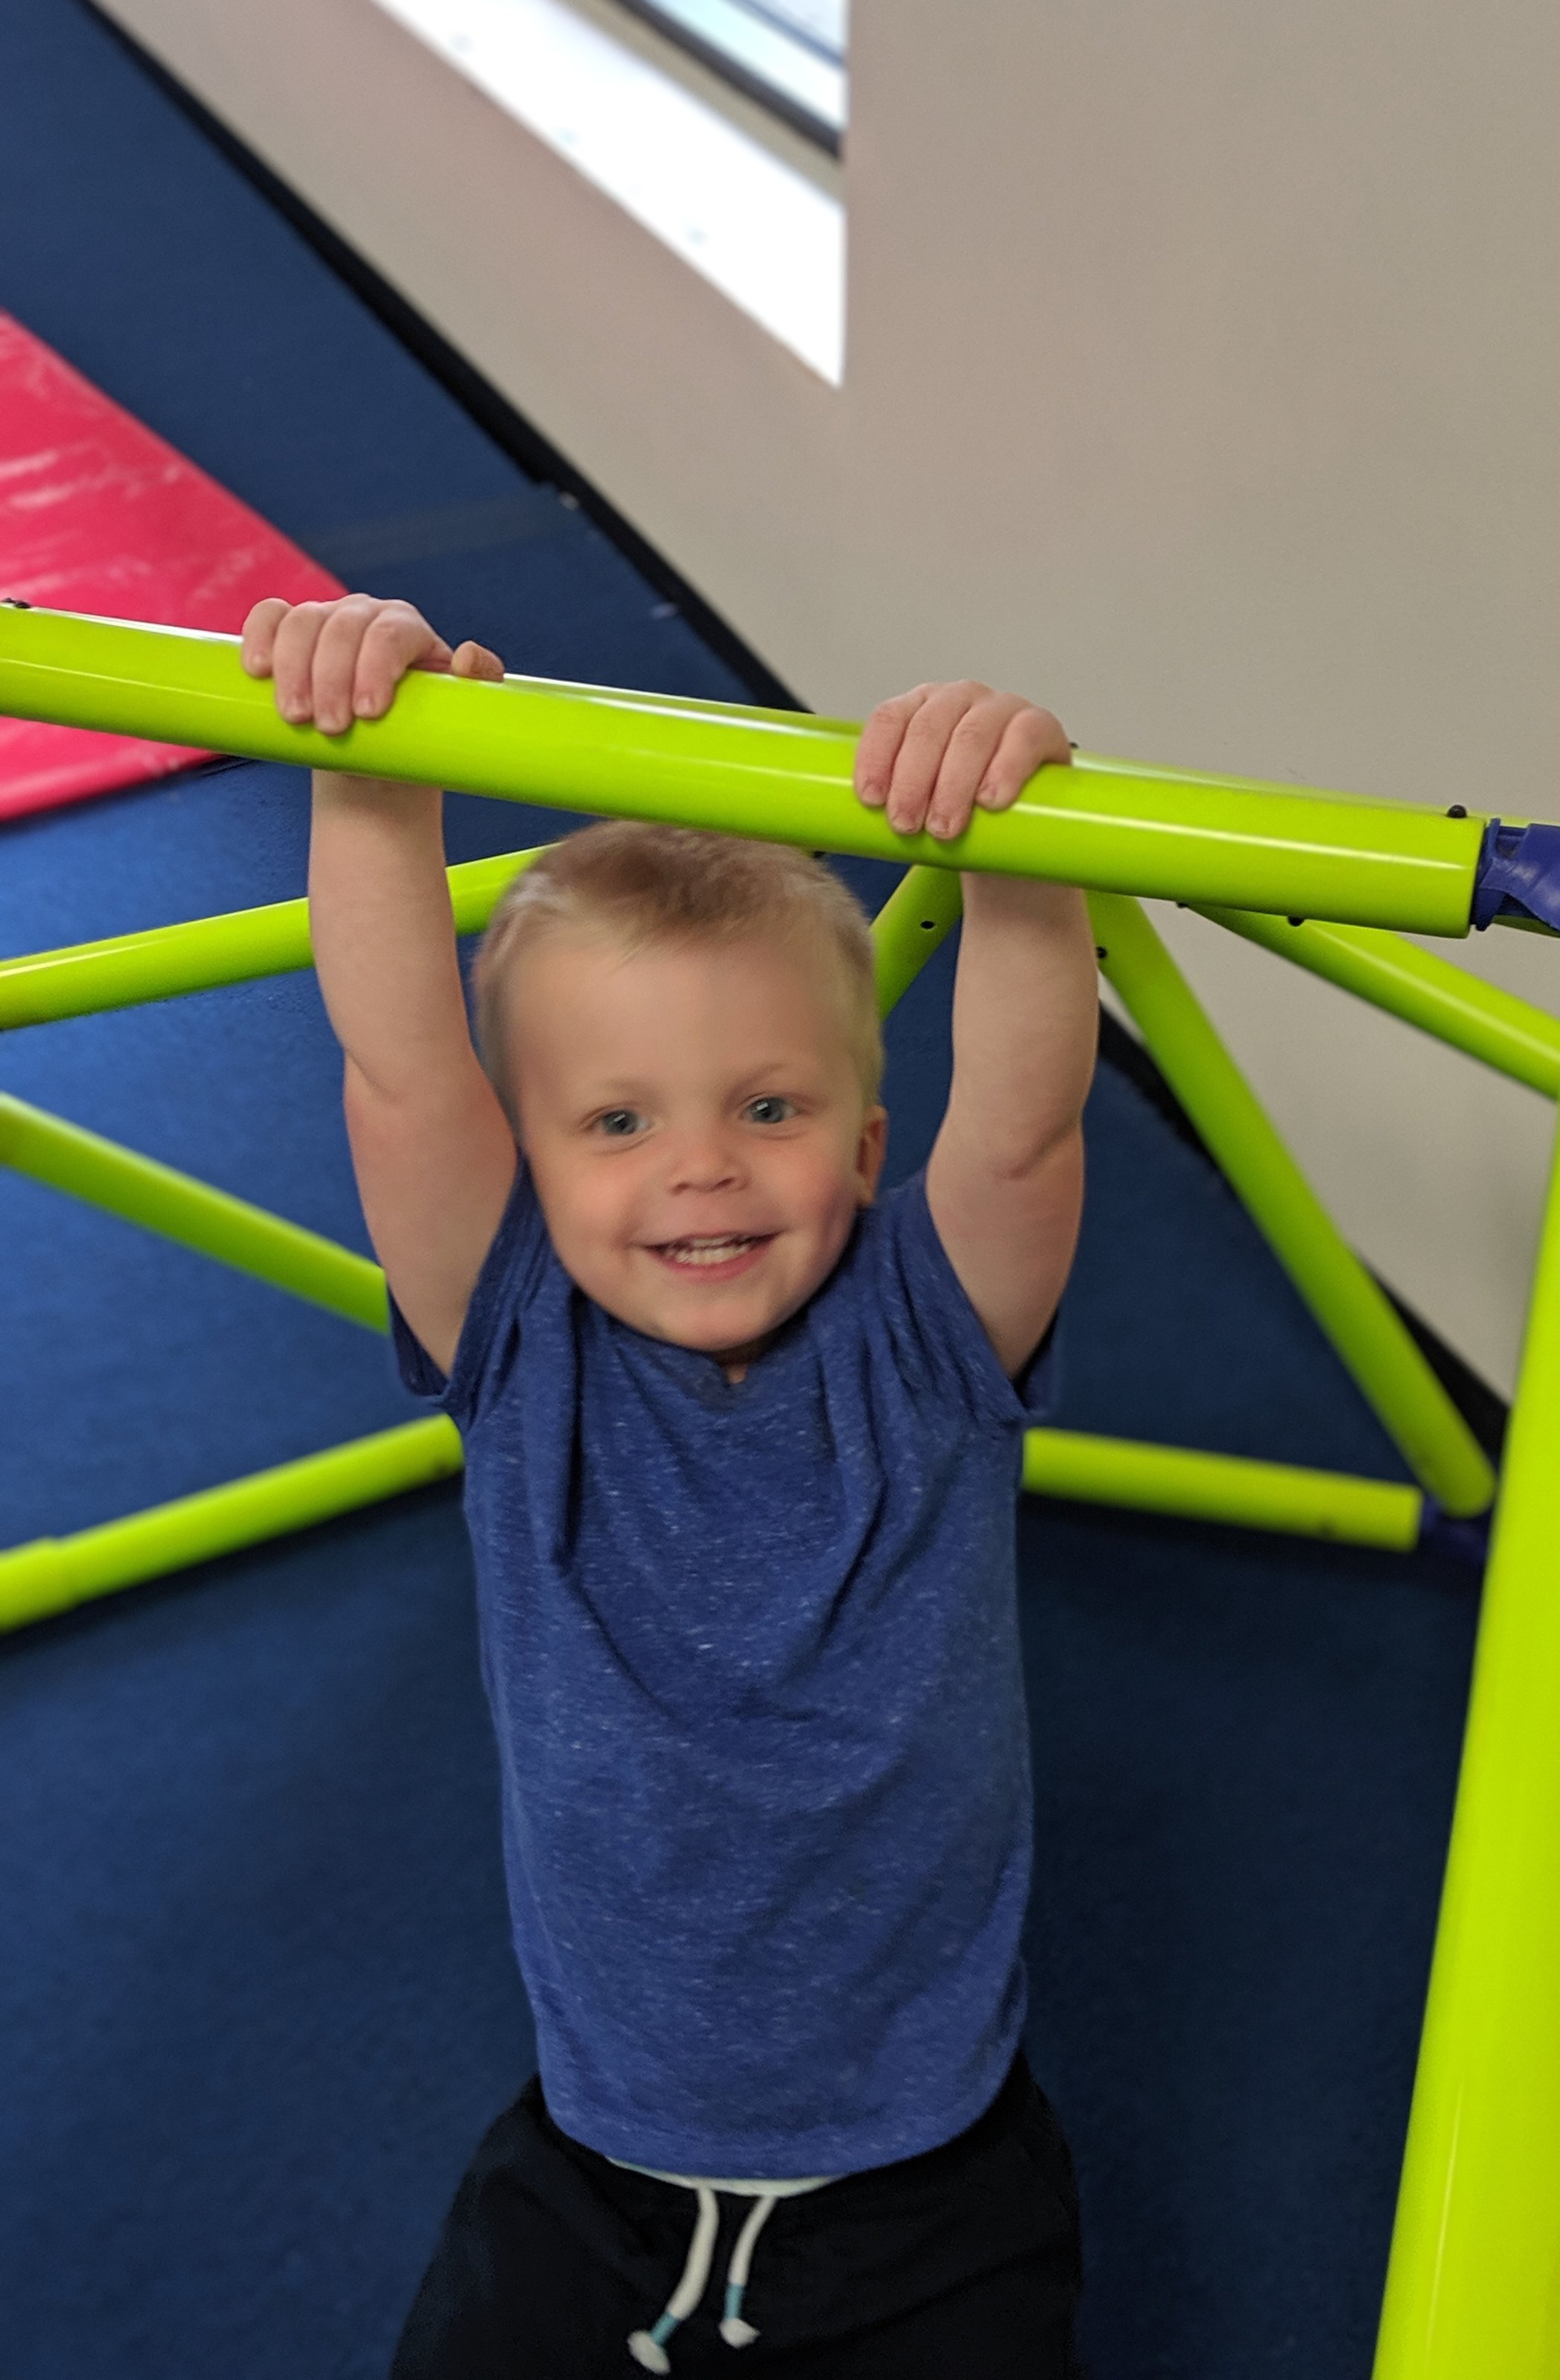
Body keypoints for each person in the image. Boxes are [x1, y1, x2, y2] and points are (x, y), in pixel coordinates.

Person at [241, 592, 1100, 2378]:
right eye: (616, 1120)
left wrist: (1024, 849)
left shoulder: (928, 1349)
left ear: (866, 1146)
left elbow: (1016, 1124)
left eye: (769, 1108)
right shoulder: (517, 1336)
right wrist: (372, 770)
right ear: (529, 1156)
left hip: (930, 2169)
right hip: (591, 2156)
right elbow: (402, 1067)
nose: (700, 1166)